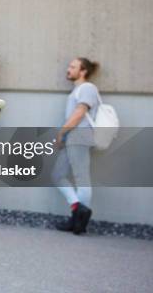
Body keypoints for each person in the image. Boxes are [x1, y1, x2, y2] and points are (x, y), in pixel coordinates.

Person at [53, 57, 101, 235]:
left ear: (83, 71)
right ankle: (78, 210)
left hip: (80, 136)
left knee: (82, 179)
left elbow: (80, 113)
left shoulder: (87, 88)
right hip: (73, 137)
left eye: (73, 67)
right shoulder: (78, 90)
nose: (68, 69)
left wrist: (61, 133)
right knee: (58, 175)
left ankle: (79, 221)